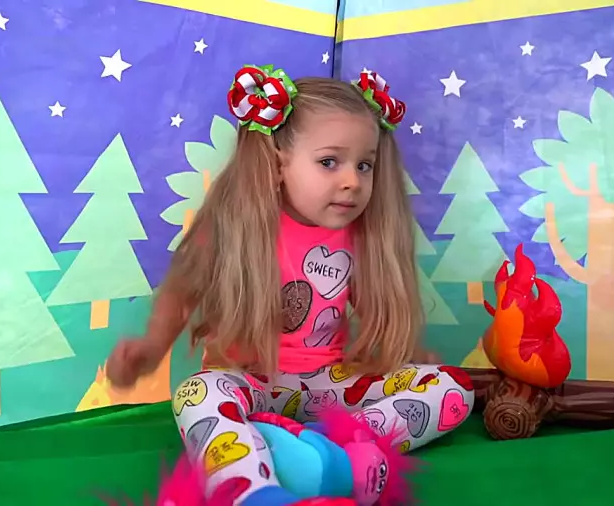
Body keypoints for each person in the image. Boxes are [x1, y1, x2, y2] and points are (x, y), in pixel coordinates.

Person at [105, 64, 476, 506]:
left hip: (329, 386)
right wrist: (151, 347)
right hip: (246, 381)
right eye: (329, 162)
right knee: (197, 395)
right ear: (278, 162)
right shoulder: (236, 227)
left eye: (365, 165)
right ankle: (253, 493)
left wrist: (410, 357)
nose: (352, 181)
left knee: (451, 387)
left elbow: (377, 307)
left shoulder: (361, 237)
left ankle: (326, 453)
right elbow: (181, 293)